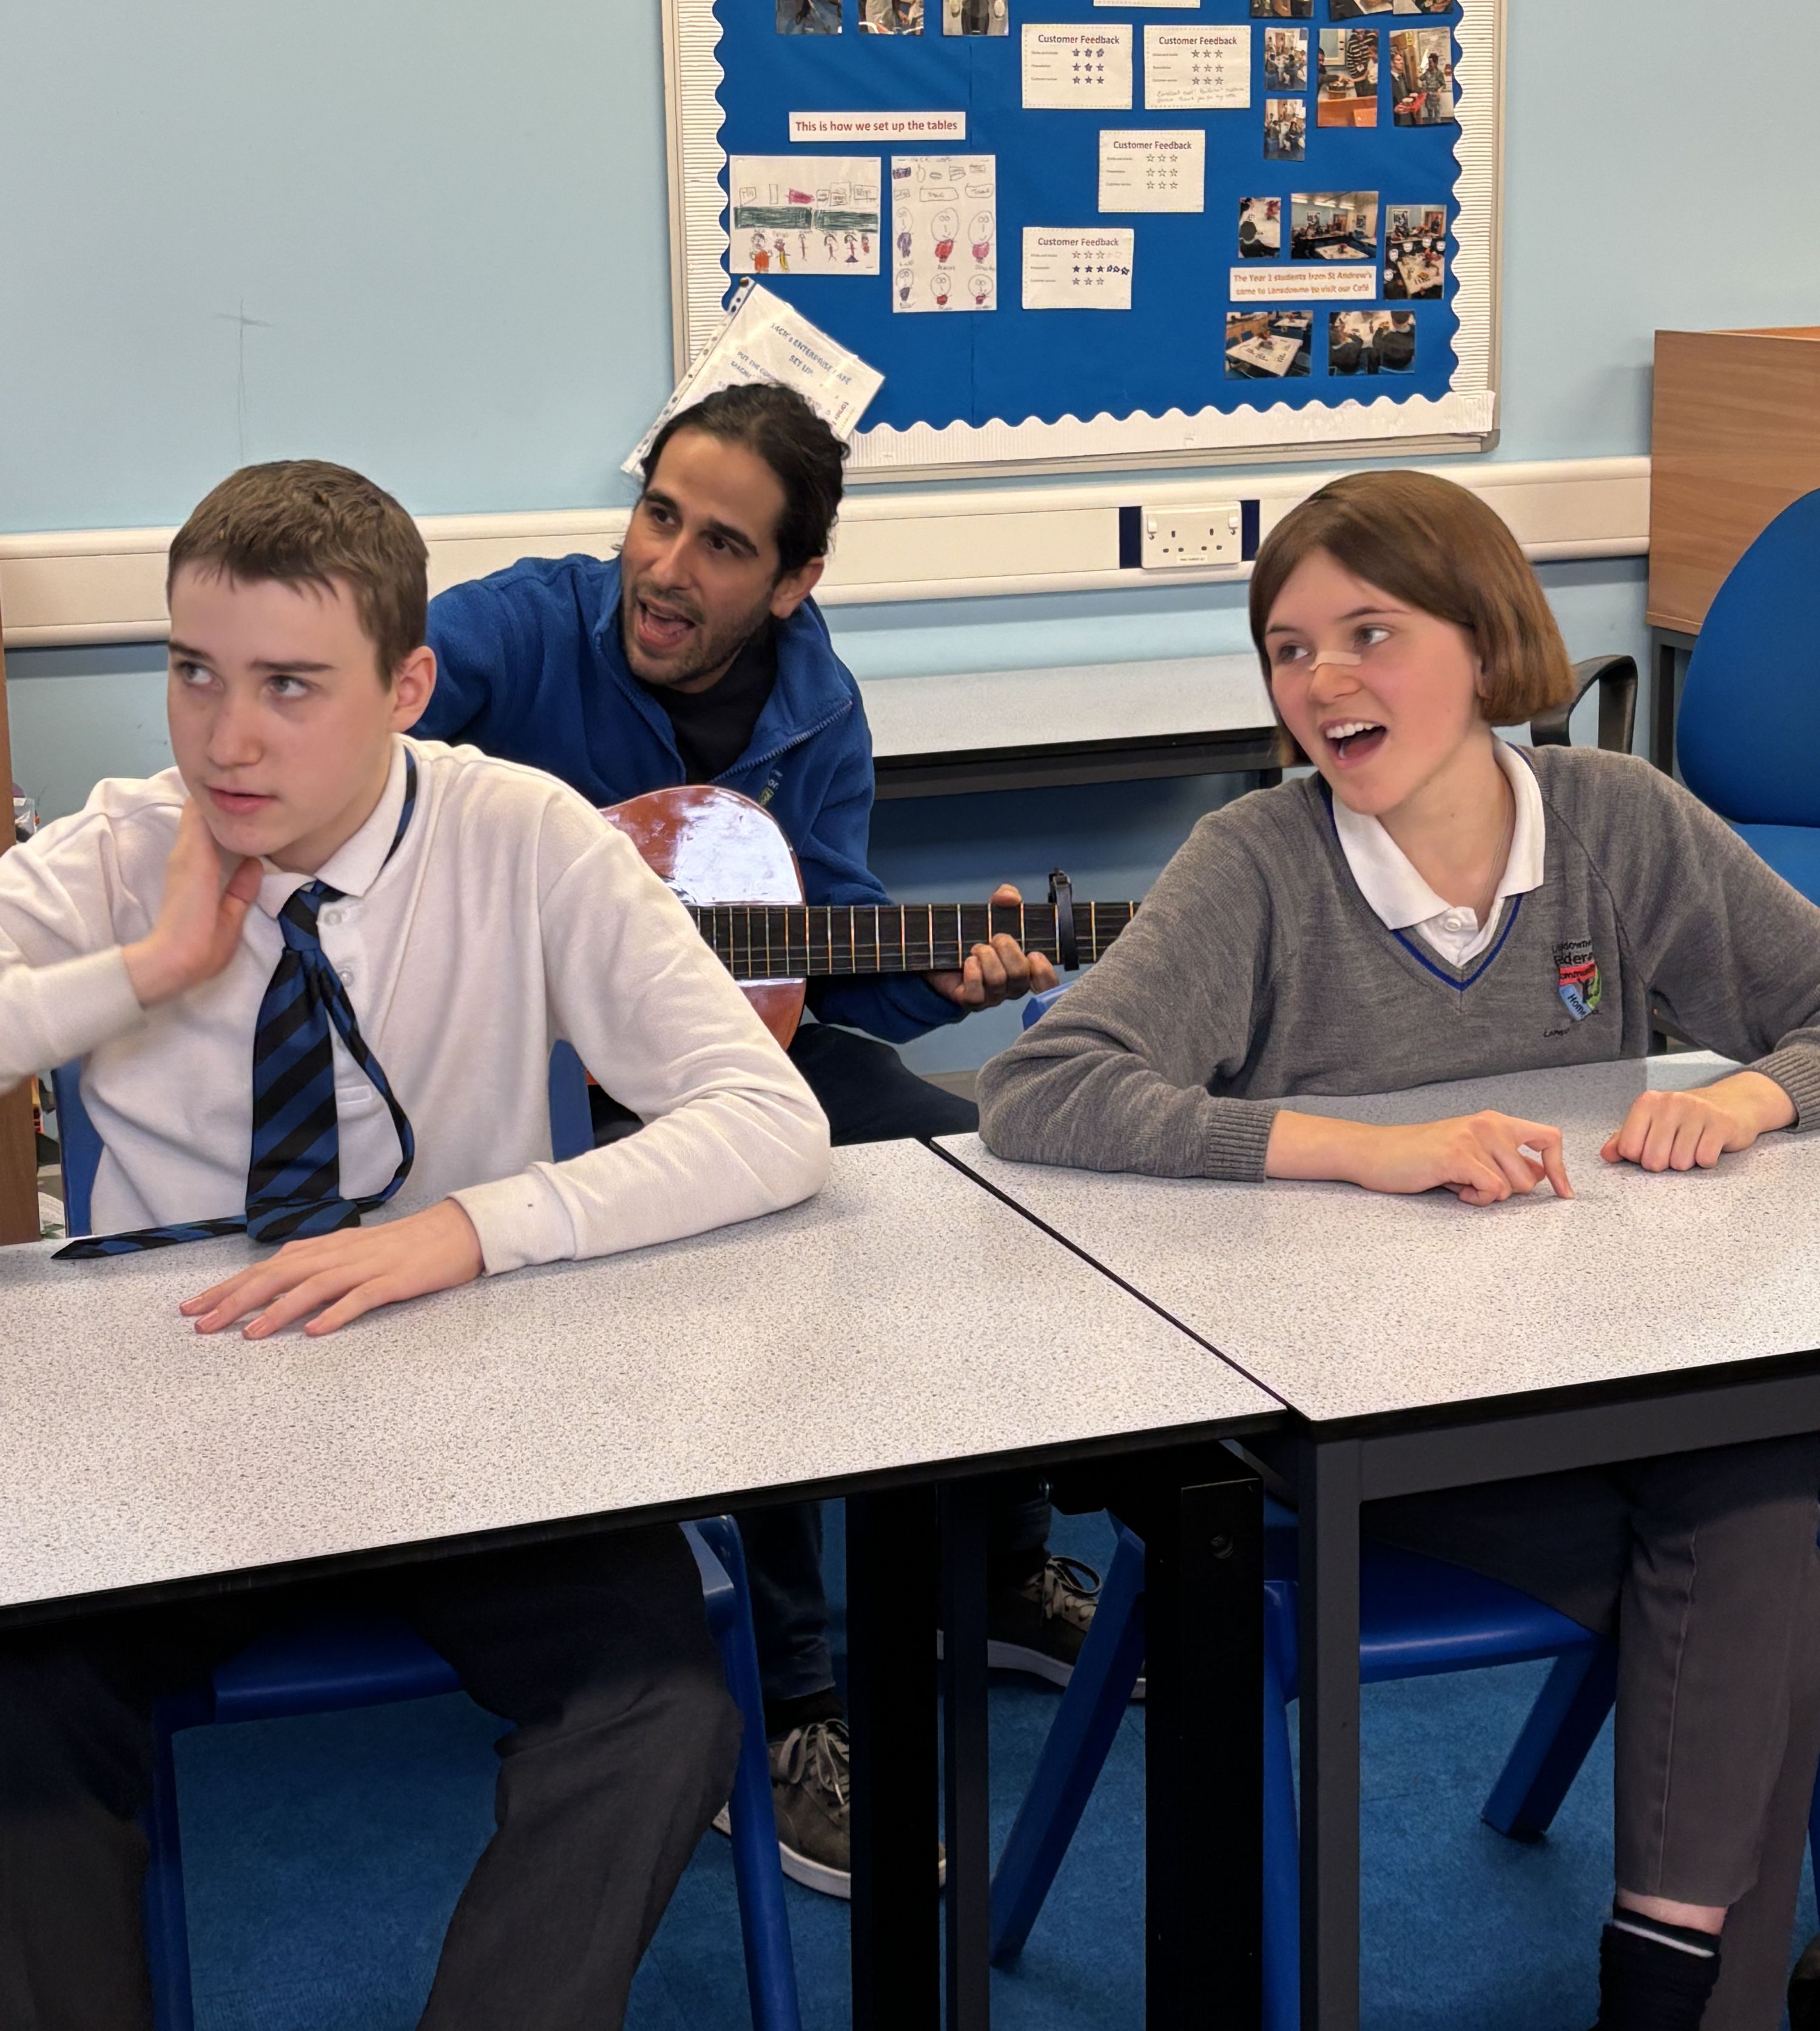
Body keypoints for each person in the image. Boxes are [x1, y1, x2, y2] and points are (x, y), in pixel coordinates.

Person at [979, 469, 1820, 2031]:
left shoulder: (1614, 820)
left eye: (1370, 631)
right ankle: (1697, 1998)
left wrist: (1757, 1092)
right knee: (1774, 1534)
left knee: (1769, 1476)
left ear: (1483, 639)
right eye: (1288, 648)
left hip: (1598, 1385)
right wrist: (1367, 1147)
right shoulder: (1256, 860)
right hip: (1366, 1431)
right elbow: (1042, 1088)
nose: (1322, 680)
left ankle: (1672, 1988)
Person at [0, 459, 831, 2031]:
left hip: (469, 1424)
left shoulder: (520, 834)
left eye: (290, 686)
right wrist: (143, 968)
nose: (226, 740)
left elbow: (765, 1117)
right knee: (18, 1704)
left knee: (658, 1709)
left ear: (407, 688)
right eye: (194, 673)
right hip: (169, 1428)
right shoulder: (127, 848)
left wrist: (473, 1227)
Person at [416, 384, 1104, 1901]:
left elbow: (809, 961)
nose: (665, 567)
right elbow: (341, 753)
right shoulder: (511, 632)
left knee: (988, 1177)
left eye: (722, 544)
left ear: (794, 581)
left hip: (724, 1065)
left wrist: (936, 981)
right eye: (657, 514)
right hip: (507, 1091)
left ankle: (995, 1567)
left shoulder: (816, 707)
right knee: (755, 1244)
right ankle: (784, 1704)